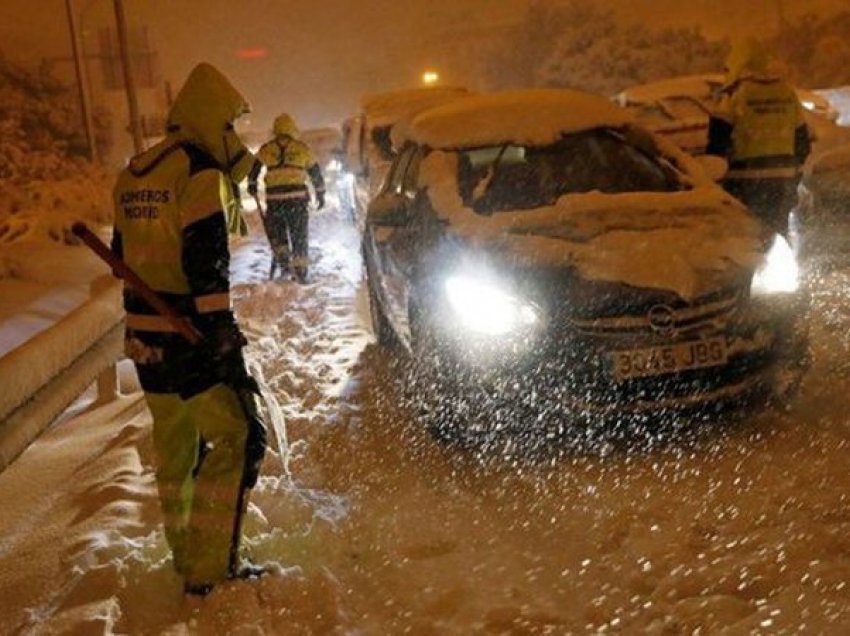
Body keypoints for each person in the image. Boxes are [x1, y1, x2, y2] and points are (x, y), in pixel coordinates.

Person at [111, 62, 267, 596]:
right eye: (230, 125)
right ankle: (210, 569)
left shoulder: (136, 171)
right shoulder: (199, 173)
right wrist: (222, 339)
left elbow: (119, 256)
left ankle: (185, 557)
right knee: (237, 436)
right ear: (209, 117)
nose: (234, 137)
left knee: (175, 448)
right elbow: (208, 271)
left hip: (142, 337)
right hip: (189, 338)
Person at [706, 38, 811, 236]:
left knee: (748, 235)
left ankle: (756, 265)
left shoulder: (734, 95)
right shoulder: (787, 93)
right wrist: (794, 170)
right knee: (778, 232)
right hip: (783, 178)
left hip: (745, 179)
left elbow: (717, 142)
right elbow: (802, 139)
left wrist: (715, 172)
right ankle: (782, 263)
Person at [248, 113, 325, 283]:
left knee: (279, 233)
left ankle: (283, 264)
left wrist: (252, 184)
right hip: (297, 200)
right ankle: (300, 270)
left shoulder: (267, 148)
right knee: (299, 234)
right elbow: (315, 172)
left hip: (275, 201)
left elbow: (254, 169)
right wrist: (320, 193)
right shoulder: (302, 149)